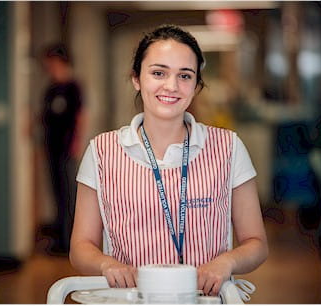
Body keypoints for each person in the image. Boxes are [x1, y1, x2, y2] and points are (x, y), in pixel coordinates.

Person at [70, 25, 268, 296]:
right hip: (129, 299)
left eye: (185, 76)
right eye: (158, 73)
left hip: (204, 300)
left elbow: (256, 243)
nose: (171, 86)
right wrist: (106, 264)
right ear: (136, 79)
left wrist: (227, 262)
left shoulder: (228, 148)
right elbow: (80, 247)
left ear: (197, 85)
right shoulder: (102, 152)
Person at [41, 43, 83, 254]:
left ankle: (70, 242)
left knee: (69, 195)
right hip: (52, 148)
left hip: (67, 150)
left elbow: (80, 117)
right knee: (57, 194)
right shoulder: (51, 88)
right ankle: (59, 239)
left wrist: (76, 144)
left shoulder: (73, 87)